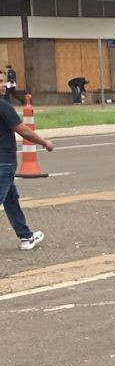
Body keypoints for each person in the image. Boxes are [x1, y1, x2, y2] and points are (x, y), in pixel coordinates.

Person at [1, 95, 52, 250]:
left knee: (11, 199)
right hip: (4, 161)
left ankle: (26, 236)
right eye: (0, 83)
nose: (4, 85)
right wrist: (44, 142)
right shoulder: (4, 106)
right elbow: (22, 130)